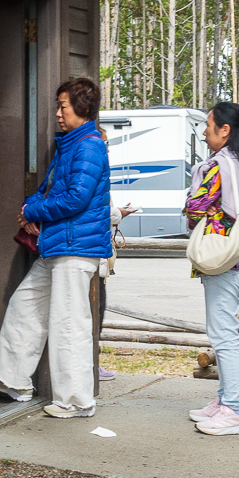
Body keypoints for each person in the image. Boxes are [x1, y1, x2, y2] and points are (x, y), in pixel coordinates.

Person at [0, 78, 112, 419]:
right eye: (58, 106)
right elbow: (49, 190)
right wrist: (30, 208)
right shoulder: (70, 145)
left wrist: (34, 212)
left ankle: (76, 401)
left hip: (75, 249)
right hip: (58, 245)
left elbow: (76, 198)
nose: (58, 113)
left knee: (69, 324)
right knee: (25, 306)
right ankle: (13, 380)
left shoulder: (89, 146)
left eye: (63, 106)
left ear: (82, 109)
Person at [185, 103, 239, 436]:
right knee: (222, 331)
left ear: (225, 130)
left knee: (223, 336)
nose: (205, 132)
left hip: (224, 263)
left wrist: (197, 202)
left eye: (208, 125)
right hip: (235, 260)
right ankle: (224, 400)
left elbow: (194, 207)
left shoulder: (221, 166)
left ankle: (233, 410)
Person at [95, 127, 138, 382]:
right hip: (94, 254)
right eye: (105, 143)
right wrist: (118, 213)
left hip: (100, 254)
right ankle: (92, 363)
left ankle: (93, 361)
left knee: (98, 309)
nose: (108, 149)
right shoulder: (93, 171)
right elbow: (97, 211)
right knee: (95, 310)